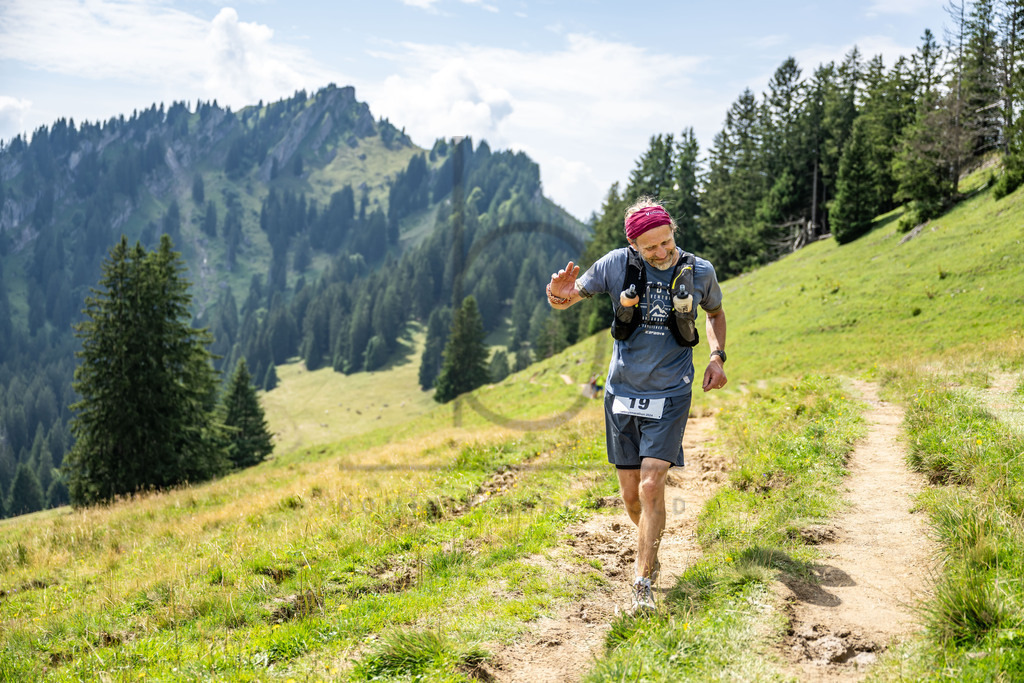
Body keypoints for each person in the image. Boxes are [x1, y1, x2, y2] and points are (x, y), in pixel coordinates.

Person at [545, 196, 727, 613]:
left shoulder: (699, 271)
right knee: (631, 498)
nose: (661, 253)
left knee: (650, 486)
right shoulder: (615, 265)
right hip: (622, 393)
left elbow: (715, 313)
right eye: (650, 248)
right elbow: (567, 297)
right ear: (633, 246)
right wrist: (556, 294)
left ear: (673, 231)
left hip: (671, 391)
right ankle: (652, 547)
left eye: (666, 242)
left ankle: (642, 582)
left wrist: (717, 357)